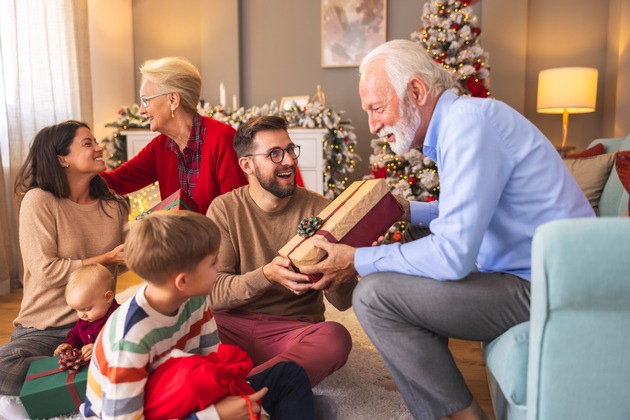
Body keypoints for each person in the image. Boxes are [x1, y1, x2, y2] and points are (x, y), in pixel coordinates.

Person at [299, 39, 595, 420]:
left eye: (377, 108)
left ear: (417, 91)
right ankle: (431, 392)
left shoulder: (469, 126)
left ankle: (463, 416)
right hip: (534, 274)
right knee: (409, 244)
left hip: (548, 288)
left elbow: (453, 256)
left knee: (373, 295)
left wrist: (357, 259)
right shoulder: (466, 121)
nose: (372, 124)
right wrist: (405, 211)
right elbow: (466, 212)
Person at [83, 210, 314, 419]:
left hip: (186, 392)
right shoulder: (130, 339)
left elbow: (213, 366)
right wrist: (216, 416)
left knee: (289, 374)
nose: (220, 265)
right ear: (183, 281)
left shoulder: (194, 298)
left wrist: (245, 403)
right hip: (143, 411)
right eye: (213, 263)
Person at [206, 116, 357, 387]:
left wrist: (346, 267)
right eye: (274, 154)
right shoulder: (224, 209)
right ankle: (279, 386)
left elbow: (342, 303)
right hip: (230, 326)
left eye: (289, 150)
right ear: (247, 164)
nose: (288, 161)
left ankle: (246, 387)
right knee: (182, 322)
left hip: (292, 330)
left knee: (335, 337)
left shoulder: (322, 208)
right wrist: (267, 275)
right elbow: (215, 294)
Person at [0, 121, 128, 418]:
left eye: (96, 140)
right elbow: (46, 270)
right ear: (62, 159)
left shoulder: (114, 206)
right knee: (3, 367)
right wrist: (106, 257)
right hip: (47, 327)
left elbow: (131, 259)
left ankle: (69, 374)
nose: (99, 147)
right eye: (87, 143)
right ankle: (85, 373)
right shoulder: (39, 201)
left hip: (99, 323)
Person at [100, 57, 248, 215]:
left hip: (220, 238)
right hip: (180, 239)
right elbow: (116, 182)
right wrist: (77, 169)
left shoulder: (221, 138)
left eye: (145, 101)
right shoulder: (160, 146)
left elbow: (236, 211)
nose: (141, 111)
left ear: (173, 99)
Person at [53, 264, 121, 362]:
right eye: (76, 310)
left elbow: (123, 343)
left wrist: (98, 348)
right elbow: (75, 336)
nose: (81, 315)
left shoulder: (120, 318)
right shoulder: (85, 321)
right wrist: (69, 346)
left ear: (108, 297)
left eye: (86, 309)